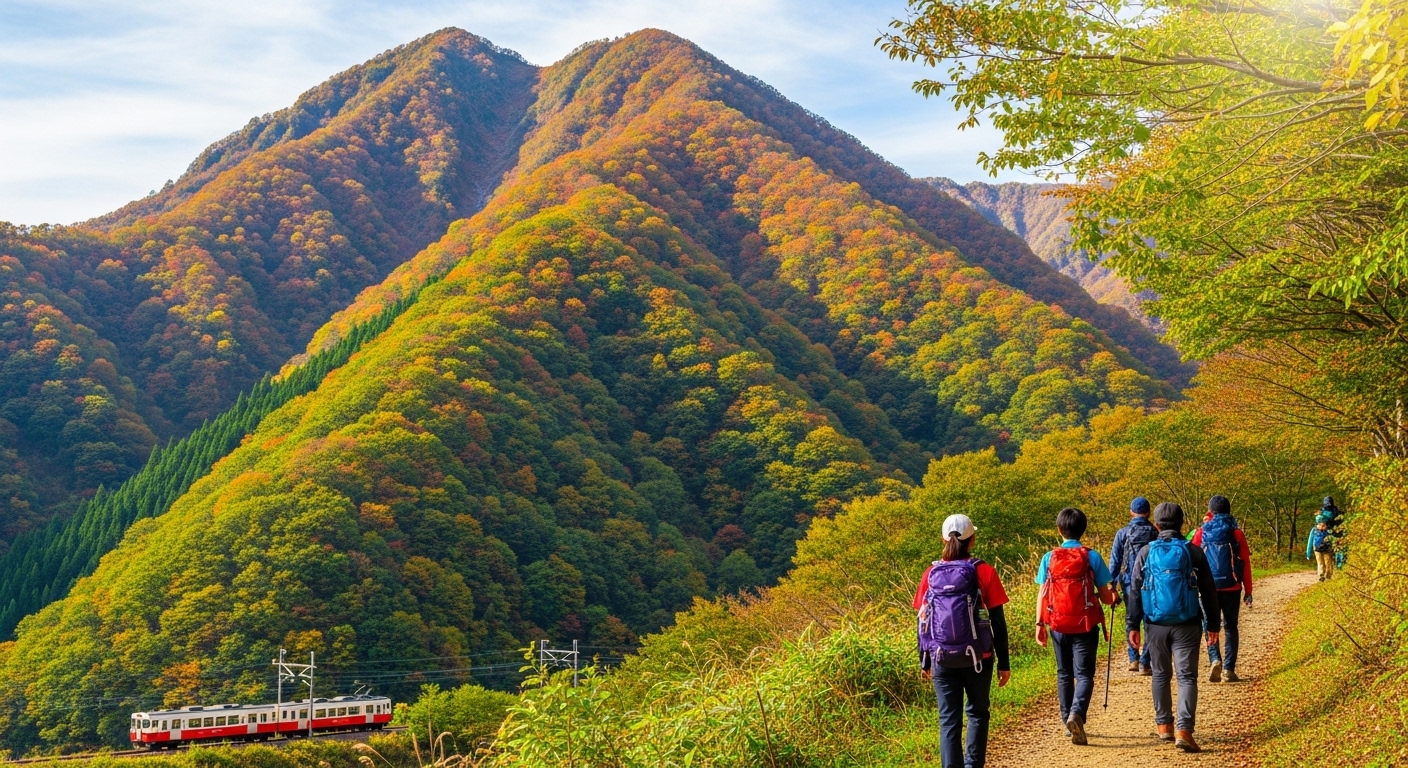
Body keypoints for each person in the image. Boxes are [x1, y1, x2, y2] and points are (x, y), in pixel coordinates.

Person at [915, 514, 1011, 768]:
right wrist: (1004, 662)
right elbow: (998, 621)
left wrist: (924, 660)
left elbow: (922, 621)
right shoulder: (985, 570)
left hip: (942, 658)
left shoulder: (930, 573)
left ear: (943, 540)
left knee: (949, 720)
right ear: (973, 540)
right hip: (979, 657)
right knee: (978, 713)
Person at [1127, 502, 1221, 753]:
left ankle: (1164, 727)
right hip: (1188, 622)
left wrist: (1132, 626)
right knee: (1187, 676)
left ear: (1156, 525)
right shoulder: (1193, 551)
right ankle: (1184, 730)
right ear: (1182, 524)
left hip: (1155, 624)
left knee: (1160, 675)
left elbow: (1135, 591)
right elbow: (1209, 590)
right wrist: (1213, 624)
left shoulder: (1146, 552)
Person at [1035, 507, 1118, 746]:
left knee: (1064, 673)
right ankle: (1077, 714)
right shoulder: (1092, 557)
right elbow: (1104, 597)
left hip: (1058, 624)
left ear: (1059, 530)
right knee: (1084, 674)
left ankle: (1066, 722)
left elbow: (1042, 595)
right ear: (1083, 529)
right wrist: (1114, 596)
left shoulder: (1048, 557)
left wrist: (1039, 624)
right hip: (1085, 624)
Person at [1191, 495, 1254, 683]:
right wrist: (1248, 590)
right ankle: (1228, 669)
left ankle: (1214, 659)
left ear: (1210, 512)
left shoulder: (1201, 532)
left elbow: (1192, 561)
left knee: (1209, 624)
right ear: (1229, 510)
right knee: (1231, 626)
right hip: (1232, 586)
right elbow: (1246, 564)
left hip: (1207, 588)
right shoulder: (1237, 534)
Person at [1109, 496, 1157, 674]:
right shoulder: (1155, 531)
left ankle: (1133, 658)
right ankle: (1146, 661)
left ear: (1131, 512)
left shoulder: (1123, 533)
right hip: (1151, 583)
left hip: (1129, 582)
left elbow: (1114, 561)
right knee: (1150, 620)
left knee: (1131, 618)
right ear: (1148, 512)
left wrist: (1112, 586)